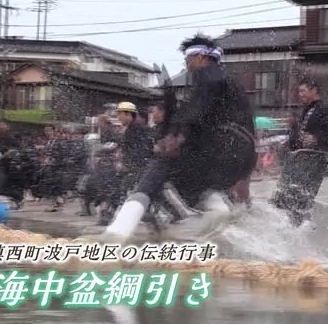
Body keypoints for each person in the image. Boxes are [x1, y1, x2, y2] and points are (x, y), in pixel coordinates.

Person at [101, 34, 256, 242]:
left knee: (158, 171)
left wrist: (177, 136)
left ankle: (118, 231)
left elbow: (198, 109)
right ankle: (217, 209)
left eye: (188, 59)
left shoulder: (208, 76)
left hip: (220, 146)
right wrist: (245, 171)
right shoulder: (233, 85)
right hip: (238, 154)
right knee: (196, 182)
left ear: (200, 57)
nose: (187, 64)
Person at [269, 81, 328, 226]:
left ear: (314, 90)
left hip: (314, 161)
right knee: (285, 193)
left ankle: (302, 227)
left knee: (302, 195)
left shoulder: (324, 109)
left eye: (303, 91)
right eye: (299, 92)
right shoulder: (306, 110)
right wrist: (293, 130)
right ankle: (292, 225)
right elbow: (301, 138)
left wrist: (317, 138)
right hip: (300, 159)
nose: (300, 95)